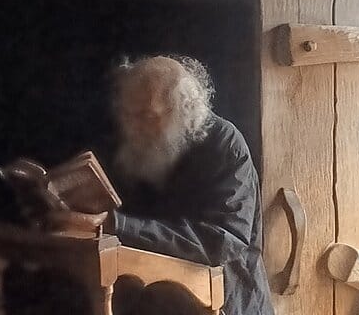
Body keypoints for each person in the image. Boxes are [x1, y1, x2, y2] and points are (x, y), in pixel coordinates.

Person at [49, 55, 274, 315]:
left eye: (146, 116)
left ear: (183, 110)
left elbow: (221, 242)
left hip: (225, 304)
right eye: (127, 114)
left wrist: (114, 224)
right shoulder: (136, 148)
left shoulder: (225, 145)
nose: (133, 127)